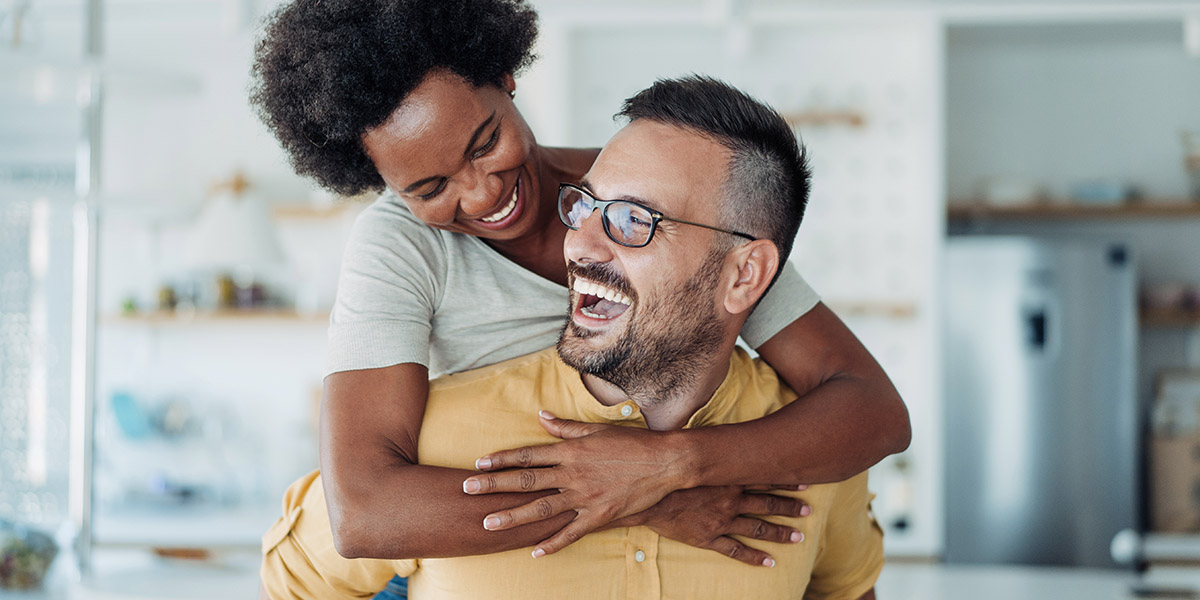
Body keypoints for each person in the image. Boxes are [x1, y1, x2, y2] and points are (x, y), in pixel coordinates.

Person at [249, 0, 907, 583]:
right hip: (458, 550)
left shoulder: (657, 204)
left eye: (485, 143)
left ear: (505, 80)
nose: (481, 195)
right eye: (429, 189)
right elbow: (366, 513)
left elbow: (871, 408)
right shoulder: (398, 247)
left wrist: (674, 465)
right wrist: (648, 504)